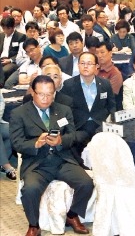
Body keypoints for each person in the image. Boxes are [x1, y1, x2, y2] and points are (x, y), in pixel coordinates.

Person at [11, 75, 94, 235]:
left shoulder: (63, 110)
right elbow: (17, 143)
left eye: (50, 94)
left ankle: (72, 215)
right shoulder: (19, 113)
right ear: (33, 93)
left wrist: (60, 141)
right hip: (37, 164)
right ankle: (34, 225)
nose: (45, 98)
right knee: (30, 190)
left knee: (86, 183)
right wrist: (35, 143)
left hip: (62, 159)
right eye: (41, 94)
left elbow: (74, 136)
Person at [60, 52, 115, 155]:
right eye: (82, 63)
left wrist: (112, 122)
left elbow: (111, 106)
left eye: (89, 63)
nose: (85, 66)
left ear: (96, 66)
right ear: (78, 65)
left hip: (100, 124)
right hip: (79, 125)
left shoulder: (105, 84)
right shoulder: (69, 85)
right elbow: (63, 110)